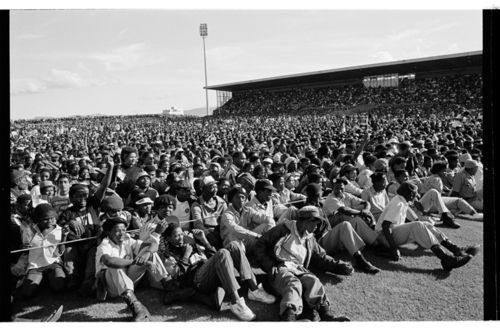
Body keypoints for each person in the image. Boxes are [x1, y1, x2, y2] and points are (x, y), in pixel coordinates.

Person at [254, 206, 352, 321]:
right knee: (293, 283)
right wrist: (269, 265)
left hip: (299, 269)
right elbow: (260, 245)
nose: (317, 227)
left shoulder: (309, 238)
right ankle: (289, 317)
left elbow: (322, 257)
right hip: (281, 268)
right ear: (307, 221)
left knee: (313, 281)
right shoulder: (283, 229)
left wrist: (340, 266)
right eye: (317, 223)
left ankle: (326, 315)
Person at [161, 223, 275, 321]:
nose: (181, 238)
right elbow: (179, 277)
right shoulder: (168, 255)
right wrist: (186, 255)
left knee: (233, 245)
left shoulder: (189, 243)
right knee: (222, 253)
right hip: (197, 281)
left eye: (181, 234)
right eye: (176, 236)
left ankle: (254, 289)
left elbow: (211, 257)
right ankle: (236, 302)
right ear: (168, 238)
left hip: (208, 271)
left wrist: (204, 240)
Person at [375, 182, 479, 271]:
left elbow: (410, 219)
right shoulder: (398, 203)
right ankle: (447, 258)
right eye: (414, 195)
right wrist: (393, 249)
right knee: (418, 225)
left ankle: (454, 249)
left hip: (390, 234)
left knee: (426, 224)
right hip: (383, 237)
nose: (416, 197)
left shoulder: (402, 200)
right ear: (410, 194)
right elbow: (385, 226)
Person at [95, 215, 181, 321]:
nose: (121, 233)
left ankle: (170, 287)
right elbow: (109, 261)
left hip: (129, 281)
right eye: (117, 231)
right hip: (112, 286)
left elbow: (153, 245)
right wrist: (135, 262)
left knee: (149, 252)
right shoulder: (104, 245)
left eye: (123, 230)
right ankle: (138, 309)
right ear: (108, 232)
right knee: (116, 267)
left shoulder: (127, 240)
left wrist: (147, 254)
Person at [18, 204, 68, 299]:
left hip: (53, 263)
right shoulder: (30, 230)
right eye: (45, 219)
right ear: (38, 219)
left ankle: (47, 277)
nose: (50, 221)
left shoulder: (60, 230)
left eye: (52, 218)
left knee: (59, 287)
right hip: (36, 265)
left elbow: (61, 251)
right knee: (26, 294)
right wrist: (26, 245)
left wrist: (64, 236)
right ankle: (41, 278)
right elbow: (24, 247)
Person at [220, 185, 275, 253]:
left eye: (243, 197)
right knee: (234, 236)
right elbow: (235, 229)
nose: (241, 200)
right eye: (238, 197)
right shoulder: (227, 214)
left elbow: (265, 219)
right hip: (231, 243)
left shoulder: (248, 210)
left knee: (269, 223)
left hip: (246, 240)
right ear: (232, 199)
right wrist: (256, 235)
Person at [191, 176, 228, 248]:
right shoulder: (196, 205)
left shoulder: (222, 202)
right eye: (211, 187)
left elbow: (226, 220)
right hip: (205, 234)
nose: (215, 190)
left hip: (220, 231)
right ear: (203, 189)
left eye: (216, 187)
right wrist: (208, 234)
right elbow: (198, 224)